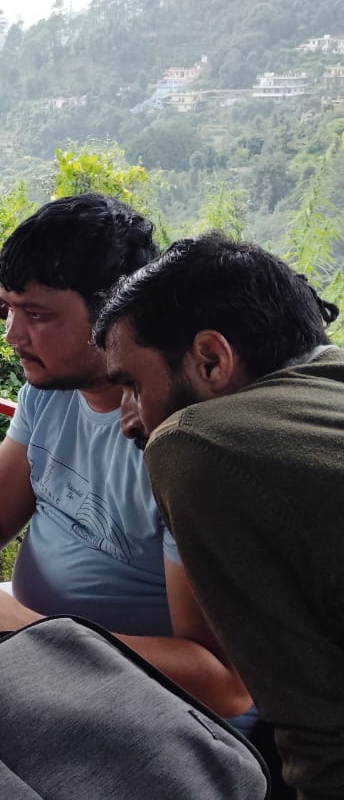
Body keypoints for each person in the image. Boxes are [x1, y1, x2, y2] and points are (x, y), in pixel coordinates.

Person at [0, 194, 252, 721]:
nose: (12, 335)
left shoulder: (177, 443)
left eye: (36, 314)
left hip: (133, 707)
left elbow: (223, 684)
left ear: (116, 315)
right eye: (10, 308)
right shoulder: (51, 389)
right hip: (28, 653)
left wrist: (35, 630)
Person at [94, 233, 344, 797]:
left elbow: (320, 740)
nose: (129, 421)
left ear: (211, 358)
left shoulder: (197, 442)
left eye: (133, 385)